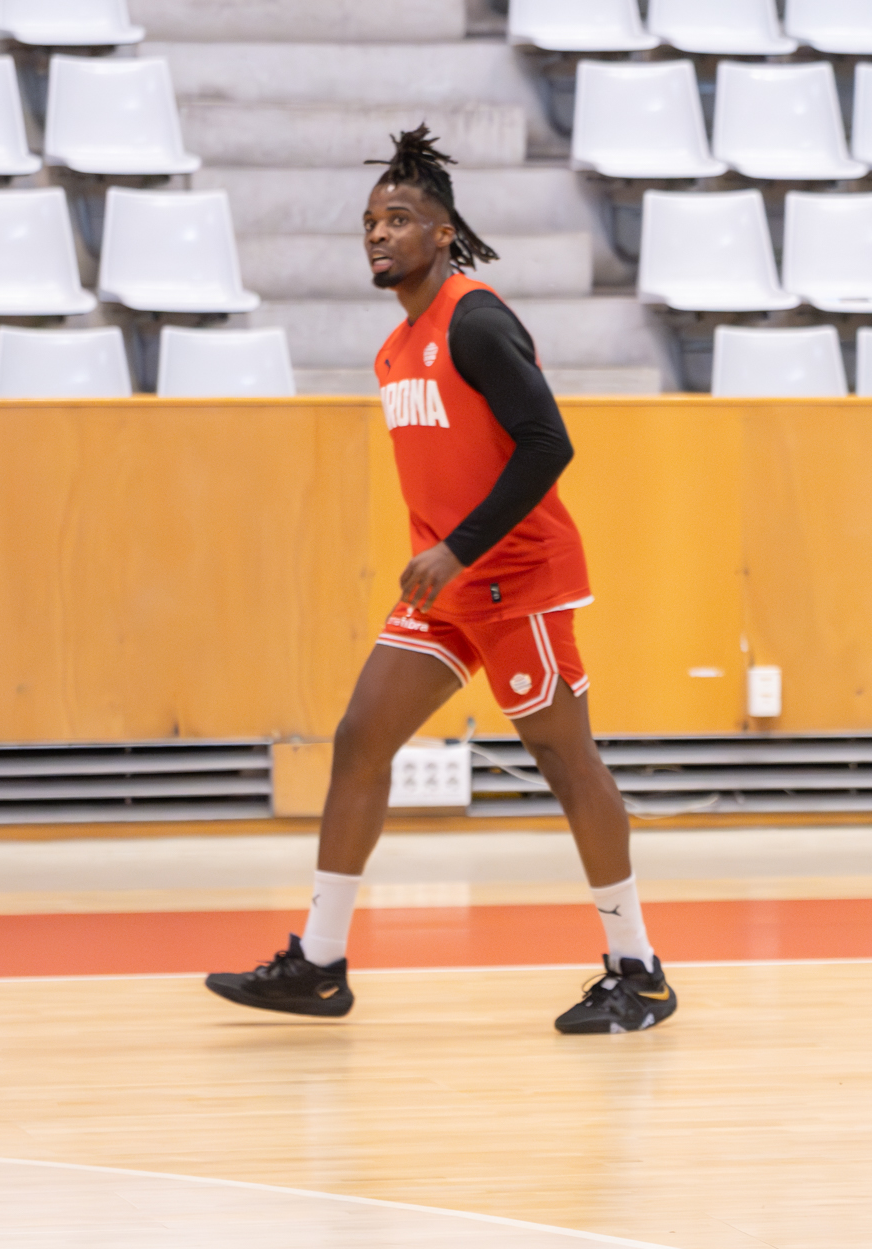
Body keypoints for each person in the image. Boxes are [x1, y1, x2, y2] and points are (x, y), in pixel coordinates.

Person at [204, 126, 676, 1035]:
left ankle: (639, 969)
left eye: (402, 218)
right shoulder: (394, 349)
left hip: (515, 581)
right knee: (358, 739)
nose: (380, 233)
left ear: (444, 232)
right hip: (449, 590)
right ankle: (320, 961)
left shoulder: (476, 318)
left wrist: (456, 549)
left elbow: (550, 444)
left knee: (566, 762)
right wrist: (447, 560)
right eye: (372, 220)